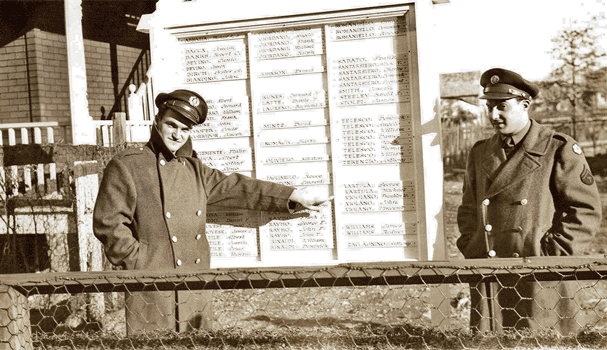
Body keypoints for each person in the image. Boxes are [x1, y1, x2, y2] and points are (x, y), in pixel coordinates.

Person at [93, 89, 331, 334]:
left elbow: (237, 188)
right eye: (171, 125)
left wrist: (291, 195)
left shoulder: (193, 169)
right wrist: (139, 260)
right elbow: (108, 223)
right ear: (157, 122)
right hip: (151, 285)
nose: (177, 135)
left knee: (198, 342)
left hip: (194, 283)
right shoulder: (128, 164)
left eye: (185, 130)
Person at [456, 68, 602, 335]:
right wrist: (472, 244)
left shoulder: (557, 148)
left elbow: (584, 211)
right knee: (494, 343)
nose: (493, 115)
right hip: (491, 273)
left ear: (525, 105)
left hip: (541, 276)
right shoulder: (480, 152)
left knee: (542, 341)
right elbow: (467, 209)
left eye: (502, 107)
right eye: (489, 107)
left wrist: (551, 255)